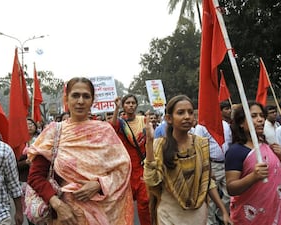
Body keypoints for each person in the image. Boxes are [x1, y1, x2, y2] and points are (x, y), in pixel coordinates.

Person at [27, 77, 134, 225]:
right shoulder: (54, 132)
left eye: (86, 96)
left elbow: (123, 169)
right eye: (75, 95)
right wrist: (58, 206)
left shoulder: (105, 131)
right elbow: (35, 177)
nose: (81, 101)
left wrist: (99, 184)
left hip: (105, 215)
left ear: (92, 100)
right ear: (66, 99)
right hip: (66, 216)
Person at [143, 95, 232, 225]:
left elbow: (207, 182)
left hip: (197, 214)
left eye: (190, 112)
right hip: (170, 215)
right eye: (180, 113)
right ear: (169, 118)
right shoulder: (159, 145)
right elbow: (152, 180)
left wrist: (223, 210)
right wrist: (149, 142)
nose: (187, 117)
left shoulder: (201, 144)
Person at [225, 102, 281, 224]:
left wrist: (279, 157)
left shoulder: (266, 146)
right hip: (251, 217)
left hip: (273, 213)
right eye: (253, 116)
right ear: (241, 123)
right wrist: (253, 177)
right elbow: (231, 188)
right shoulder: (236, 151)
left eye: (261, 115)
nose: (260, 119)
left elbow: (273, 175)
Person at [111, 94, 151, 225]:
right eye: (127, 103)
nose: (131, 105)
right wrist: (116, 109)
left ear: (136, 105)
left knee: (144, 202)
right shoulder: (121, 123)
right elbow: (112, 128)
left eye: (133, 103)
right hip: (126, 170)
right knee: (125, 205)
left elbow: (150, 141)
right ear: (123, 106)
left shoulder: (144, 121)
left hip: (141, 168)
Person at [194, 101, 232, 225]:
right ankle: (210, 222)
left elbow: (229, 143)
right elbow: (198, 148)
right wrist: (207, 167)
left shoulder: (225, 125)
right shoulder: (201, 126)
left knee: (228, 194)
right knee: (210, 198)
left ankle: (222, 216)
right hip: (211, 165)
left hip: (225, 164)